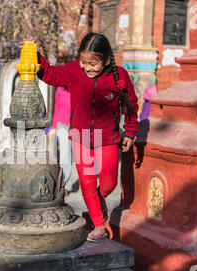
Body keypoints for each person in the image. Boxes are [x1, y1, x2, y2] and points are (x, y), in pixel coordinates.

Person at [36, 33, 139, 242]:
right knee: (87, 182)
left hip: (108, 138)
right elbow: (50, 75)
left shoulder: (119, 76)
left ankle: (97, 203)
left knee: (108, 183)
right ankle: (99, 224)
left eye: (93, 63)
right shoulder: (74, 71)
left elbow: (130, 104)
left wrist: (130, 131)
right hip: (80, 136)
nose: (87, 67)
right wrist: (34, 56)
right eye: (83, 61)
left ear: (107, 60)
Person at [48, 86, 73, 197]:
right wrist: (54, 127)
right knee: (64, 157)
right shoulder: (60, 89)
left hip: (77, 126)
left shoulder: (78, 87)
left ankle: (88, 184)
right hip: (62, 125)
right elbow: (57, 108)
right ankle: (65, 186)